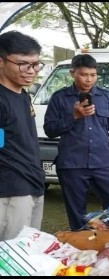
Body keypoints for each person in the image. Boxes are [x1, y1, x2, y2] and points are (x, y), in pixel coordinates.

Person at [44, 54, 109, 231]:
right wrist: (74, 116)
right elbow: (50, 130)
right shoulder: (59, 98)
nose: (89, 79)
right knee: (77, 215)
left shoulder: (106, 97)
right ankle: (81, 251)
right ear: (72, 73)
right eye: (84, 74)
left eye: (93, 75)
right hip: (72, 164)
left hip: (103, 163)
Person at [0, 31, 46, 241]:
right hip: (11, 191)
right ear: (1, 62)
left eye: (36, 64)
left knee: (27, 253)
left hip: (33, 184)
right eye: (23, 64)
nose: (31, 71)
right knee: (10, 258)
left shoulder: (23, 94)